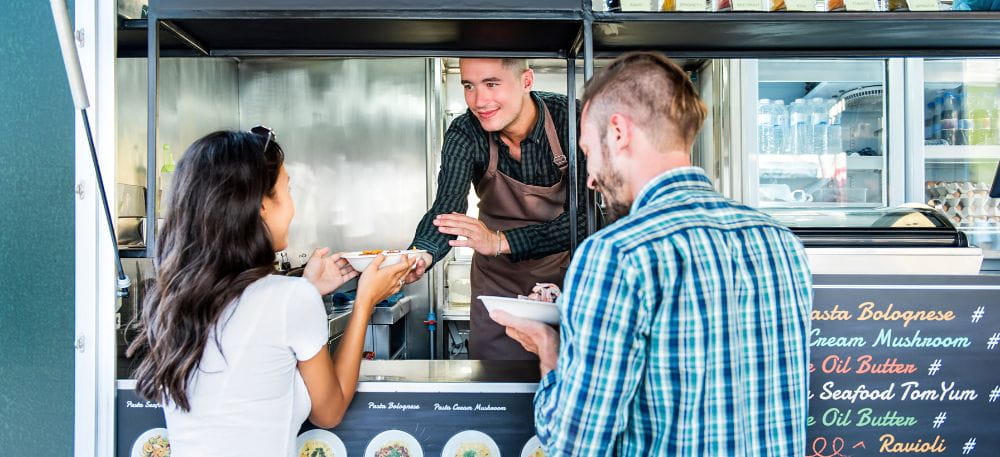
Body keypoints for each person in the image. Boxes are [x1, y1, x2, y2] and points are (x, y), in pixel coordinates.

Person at [492, 52, 813, 456]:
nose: (590, 178)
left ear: (619, 132)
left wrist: (549, 350)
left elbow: (574, 443)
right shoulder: (780, 242)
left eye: (589, 151)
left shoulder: (617, 254)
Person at [126, 129, 415, 457]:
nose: (292, 206)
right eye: (287, 190)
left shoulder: (170, 299)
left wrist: (308, 289)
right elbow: (329, 412)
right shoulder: (288, 299)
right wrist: (365, 301)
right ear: (262, 205)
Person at [404, 58, 586, 360]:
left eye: (491, 84)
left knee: (566, 371)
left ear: (527, 81)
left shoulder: (572, 119)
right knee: (495, 382)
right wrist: (419, 256)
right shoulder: (466, 131)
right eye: (468, 86)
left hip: (564, 282)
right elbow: (448, 205)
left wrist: (500, 241)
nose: (479, 101)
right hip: (496, 286)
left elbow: (586, 220)